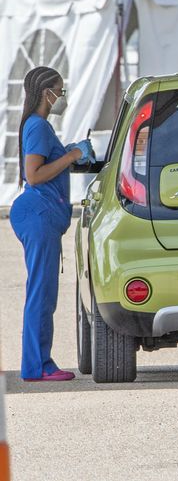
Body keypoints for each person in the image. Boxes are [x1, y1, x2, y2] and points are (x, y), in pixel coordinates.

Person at [10, 66, 94, 382]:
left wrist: (73, 157)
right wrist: (72, 154)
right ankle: (37, 366)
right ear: (47, 93)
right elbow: (34, 175)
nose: (63, 96)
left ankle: (40, 362)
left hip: (41, 216)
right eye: (60, 90)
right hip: (37, 215)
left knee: (45, 292)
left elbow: (46, 166)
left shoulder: (39, 126)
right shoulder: (37, 126)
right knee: (41, 293)